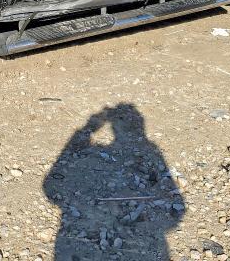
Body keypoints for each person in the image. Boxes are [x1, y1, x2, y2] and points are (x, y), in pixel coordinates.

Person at [43, 103, 184, 260]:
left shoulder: (149, 149)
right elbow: (176, 214)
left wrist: (87, 129)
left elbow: (50, 188)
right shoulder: (150, 149)